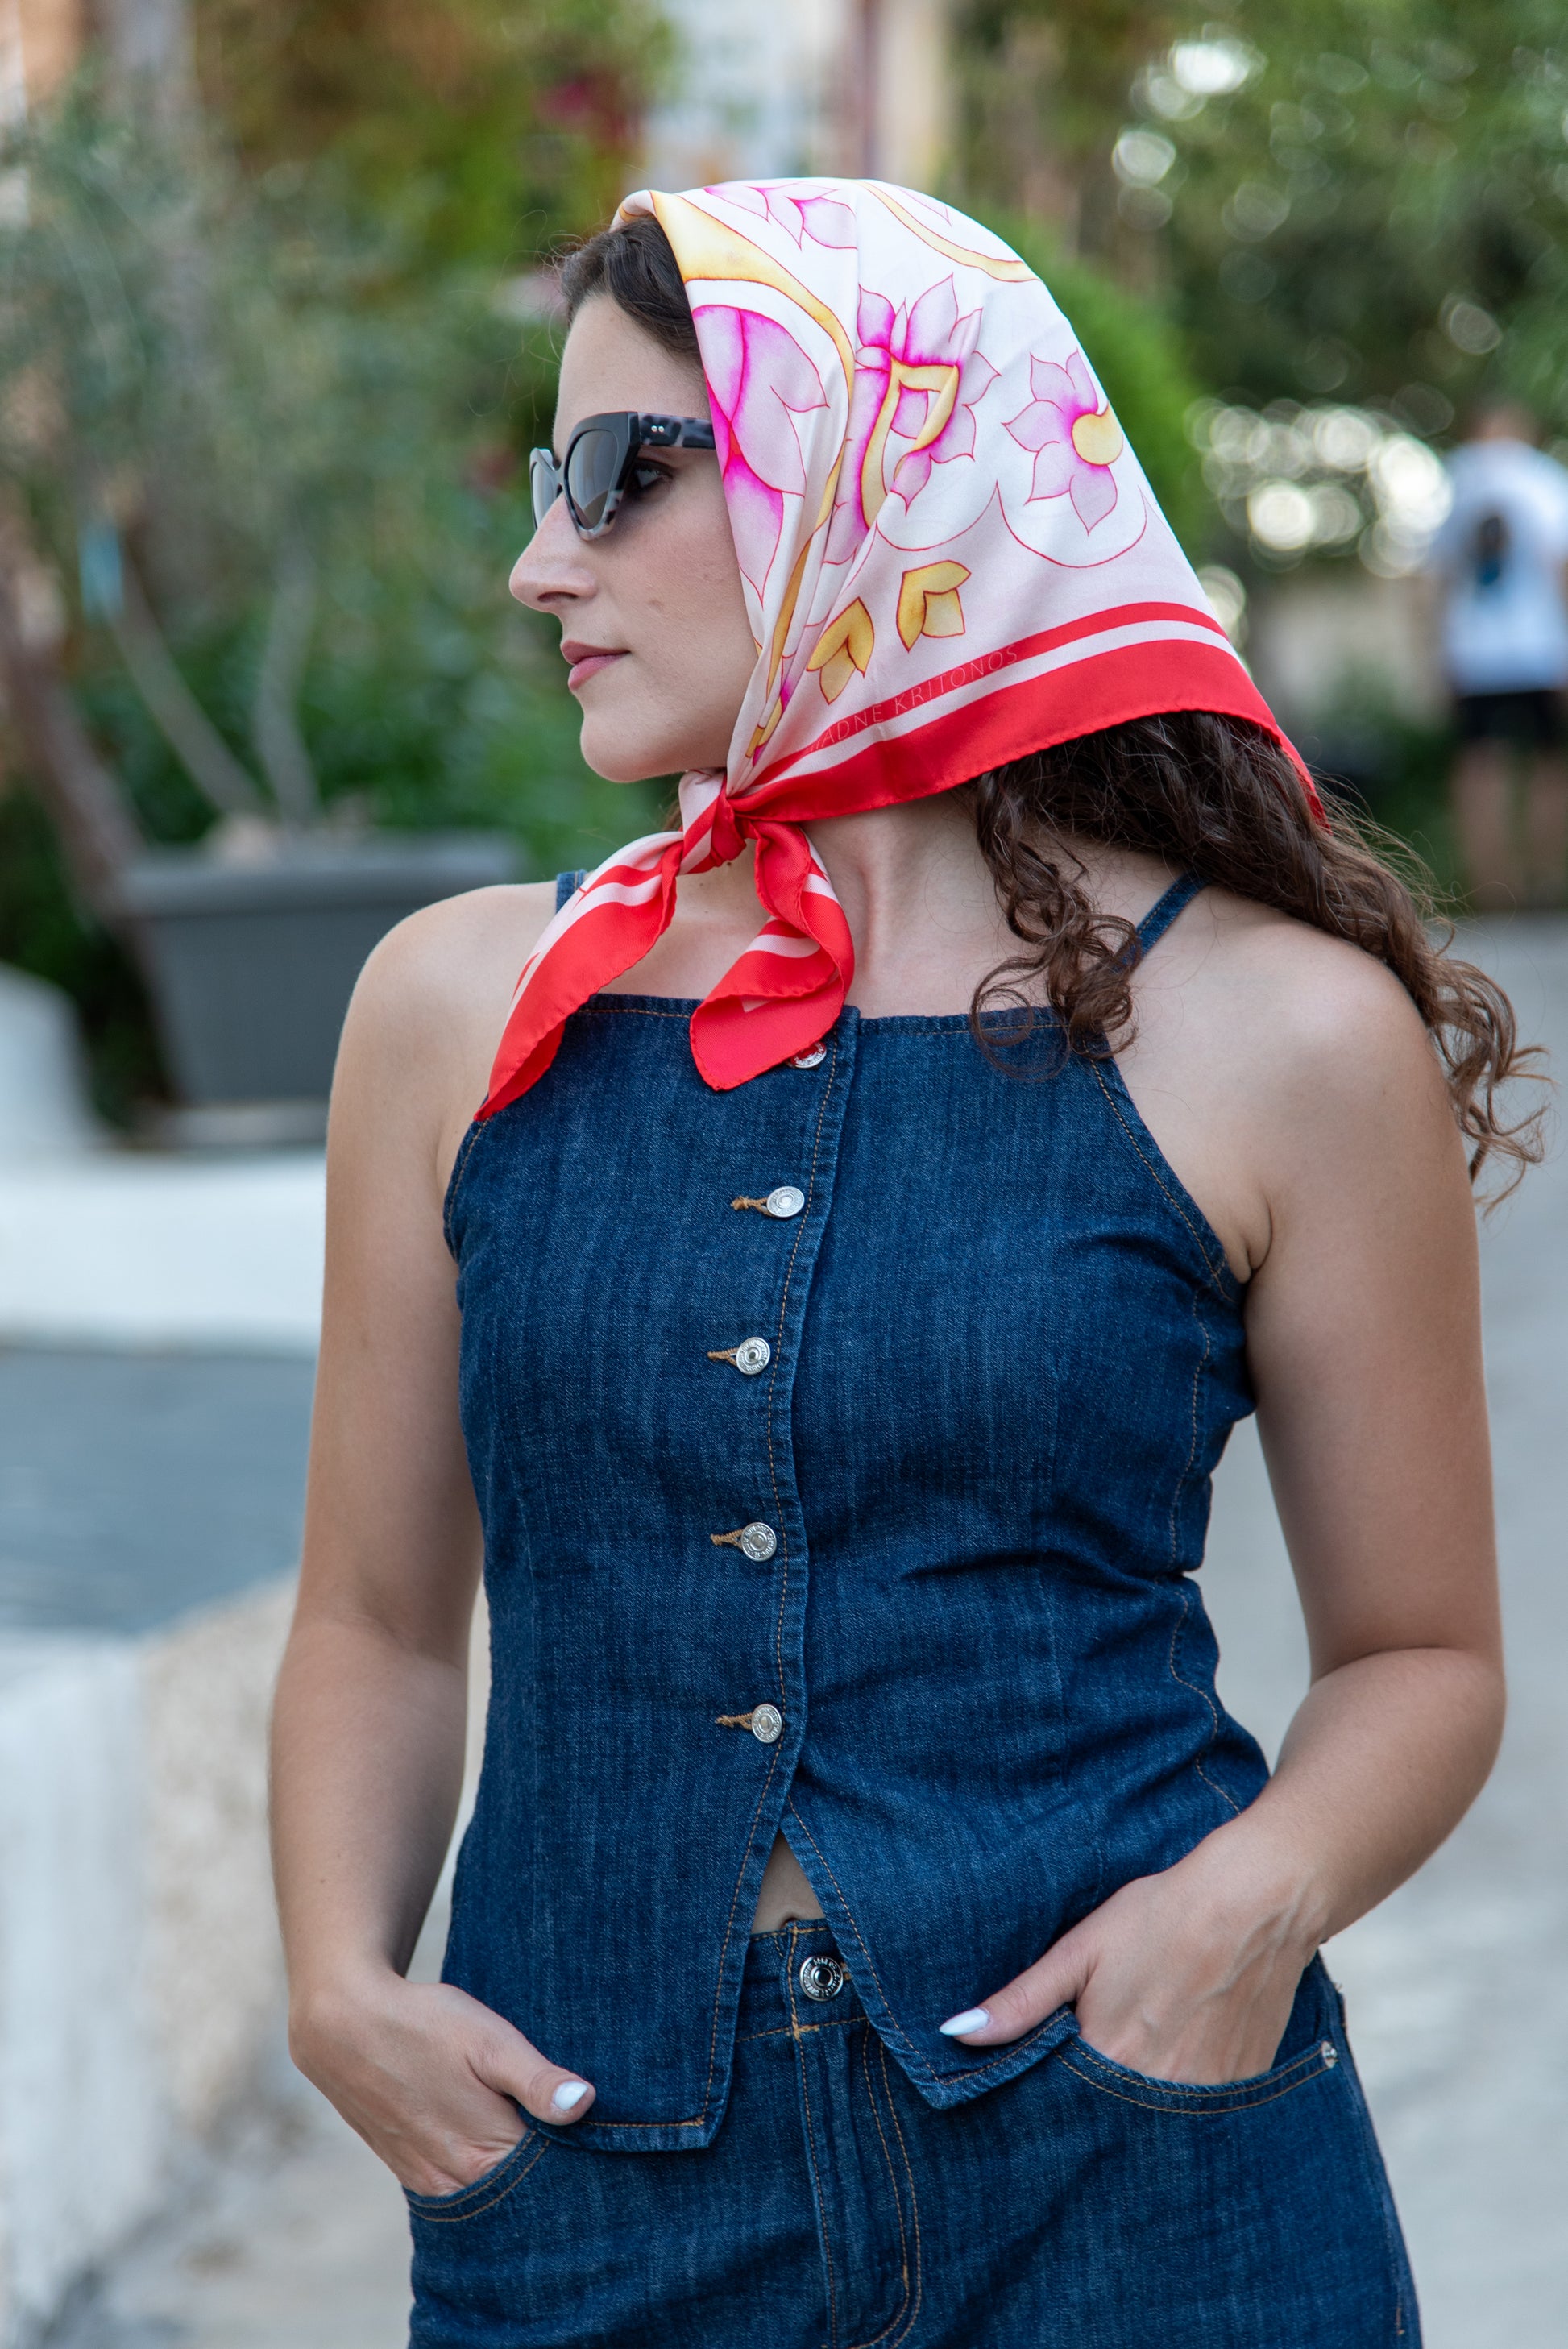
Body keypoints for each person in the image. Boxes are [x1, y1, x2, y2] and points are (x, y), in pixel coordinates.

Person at [271, 181, 1536, 2347]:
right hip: (580, 2190)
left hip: (1143, 2172)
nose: (536, 561)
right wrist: (339, 1995)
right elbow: (382, 1621)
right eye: (541, 482)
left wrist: (1226, 1930)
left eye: (621, 474)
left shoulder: (1277, 1034)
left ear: (878, 461)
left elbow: (1421, 1656)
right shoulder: (451, 1009)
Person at [1429, 400, 1568, 908]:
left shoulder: (1457, 477)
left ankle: (1490, 888)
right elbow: (1560, 569)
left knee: (1478, 768)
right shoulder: (1544, 477)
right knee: (1547, 764)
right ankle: (1546, 881)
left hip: (1473, 655)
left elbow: (1435, 578)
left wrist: (1435, 654)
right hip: (1540, 650)